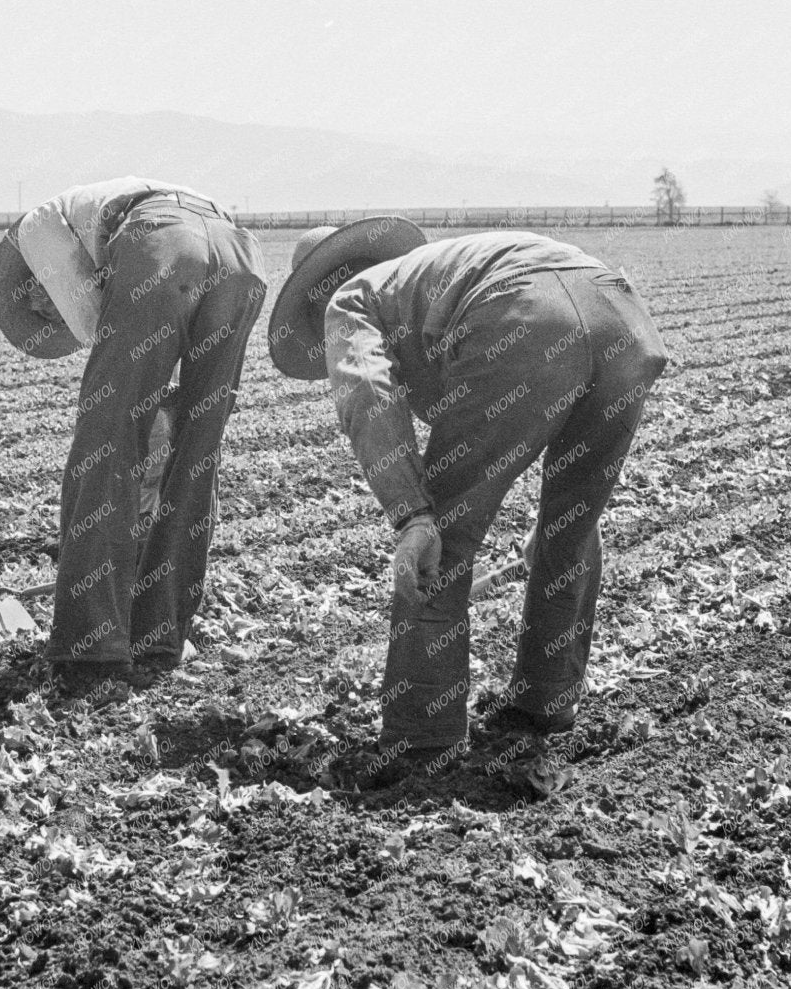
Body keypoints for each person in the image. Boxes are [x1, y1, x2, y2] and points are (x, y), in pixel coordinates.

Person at [267, 223, 670, 788]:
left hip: (526, 316)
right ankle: (546, 701)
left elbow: (367, 391)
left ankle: (422, 738)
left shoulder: (351, 299)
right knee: (571, 526)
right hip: (623, 318)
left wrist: (411, 513)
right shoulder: (431, 273)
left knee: (444, 539)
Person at [0, 179, 267, 698]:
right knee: (197, 450)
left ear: (36, 280)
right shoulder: (85, 218)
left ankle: (89, 653)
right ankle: (159, 638)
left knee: (105, 443)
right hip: (238, 255)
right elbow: (158, 402)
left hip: (163, 244)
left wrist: (138, 471)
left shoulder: (38, 233)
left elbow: (126, 397)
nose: (53, 318)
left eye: (44, 307)